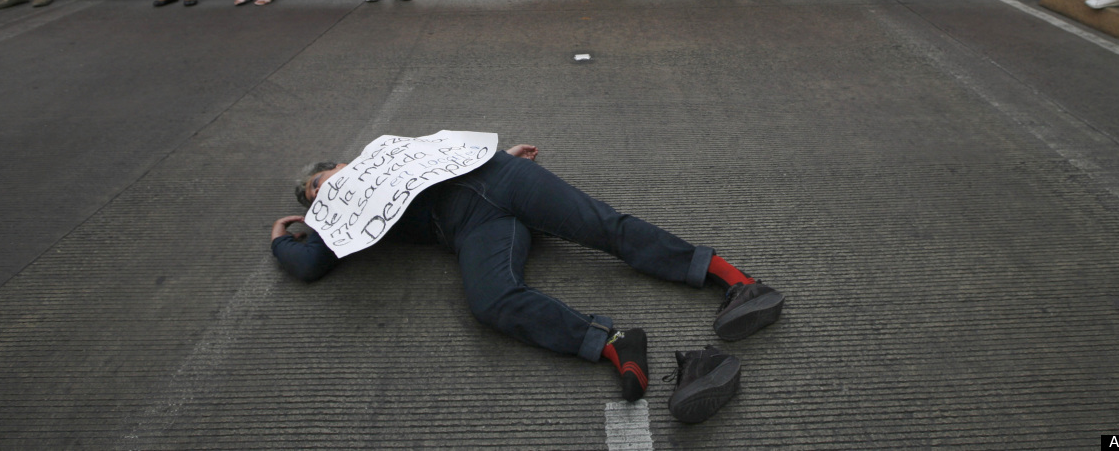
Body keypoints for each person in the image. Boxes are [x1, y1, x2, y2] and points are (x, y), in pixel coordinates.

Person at [271, 140, 782, 417]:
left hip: (499, 175)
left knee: (606, 228)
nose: (321, 192)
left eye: (320, 181)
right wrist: (283, 235)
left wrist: (504, 157)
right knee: (489, 300)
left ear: (339, 163)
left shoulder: (377, 153)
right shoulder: (333, 219)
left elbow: (439, 149)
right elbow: (309, 265)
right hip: (473, 224)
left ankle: (737, 282)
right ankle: (615, 342)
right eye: (313, 197)